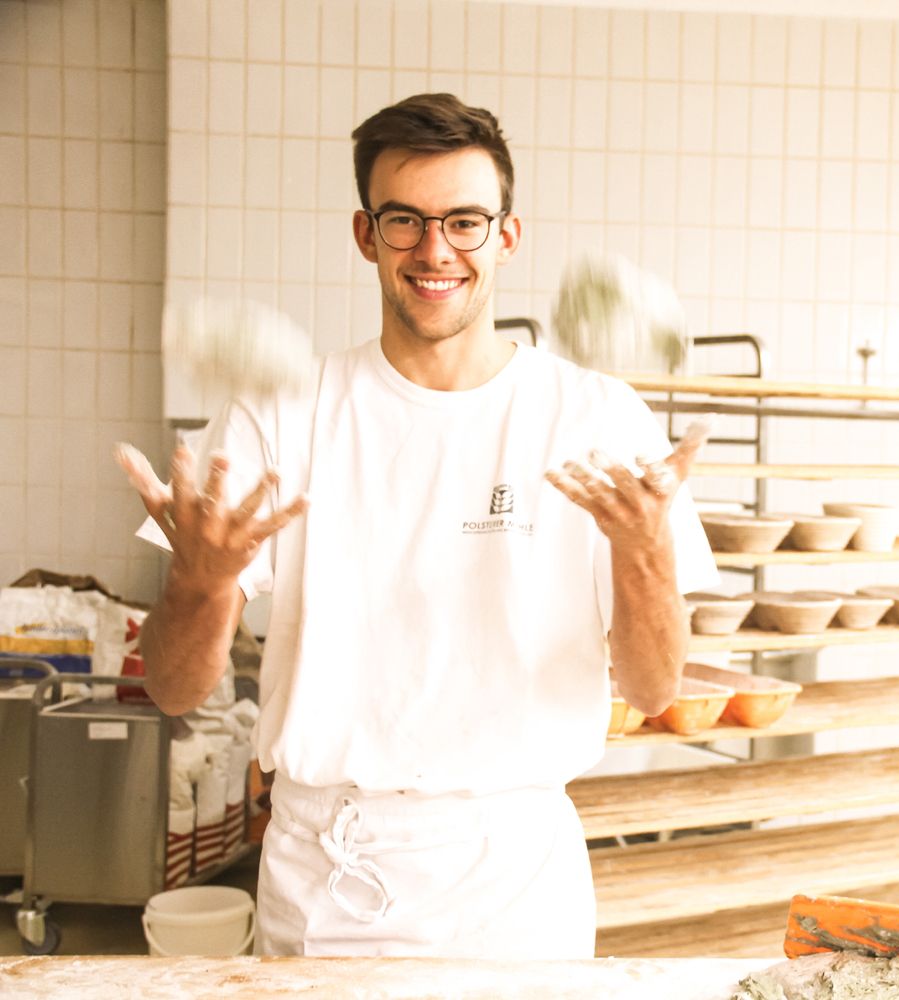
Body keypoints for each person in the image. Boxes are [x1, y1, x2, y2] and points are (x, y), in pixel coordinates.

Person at [116, 93, 718, 958]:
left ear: (507, 236)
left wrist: (645, 556)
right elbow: (175, 691)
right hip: (326, 886)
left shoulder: (597, 418)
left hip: (517, 886)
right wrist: (199, 584)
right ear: (367, 235)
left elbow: (655, 691)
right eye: (405, 221)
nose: (436, 250)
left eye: (465, 222)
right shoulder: (280, 414)